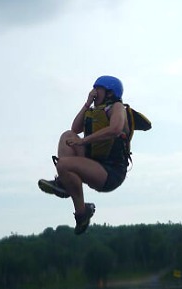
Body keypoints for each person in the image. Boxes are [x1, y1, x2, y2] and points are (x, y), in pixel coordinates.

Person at [38, 75, 130, 235]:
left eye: (97, 89)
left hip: (111, 173)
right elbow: (75, 128)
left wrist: (84, 141)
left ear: (109, 92)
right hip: (95, 162)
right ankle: (65, 184)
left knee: (63, 165)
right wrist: (87, 103)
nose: (94, 92)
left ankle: (82, 213)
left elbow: (115, 129)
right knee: (67, 135)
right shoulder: (95, 110)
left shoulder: (117, 108)